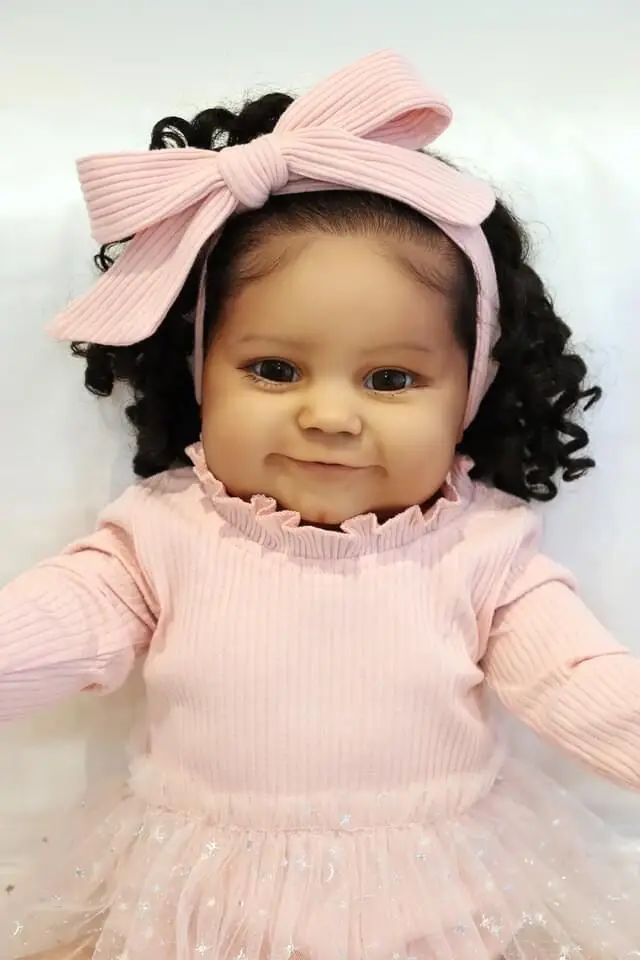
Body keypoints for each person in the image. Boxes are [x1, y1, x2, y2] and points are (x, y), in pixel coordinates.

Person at [1, 50, 639, 960]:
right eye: (274, 369)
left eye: (391, 379)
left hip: (435, 902)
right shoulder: (160, 536)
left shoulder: (485, 553)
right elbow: (51, 627)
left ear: (469, 396)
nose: (330, 416)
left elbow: (581, 684)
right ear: (200, 375)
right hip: (200, 902)